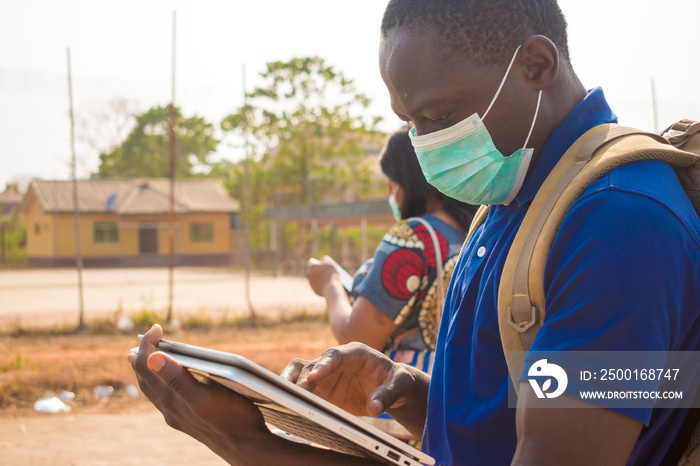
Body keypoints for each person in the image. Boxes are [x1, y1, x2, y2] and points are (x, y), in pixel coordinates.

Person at [130, 1, 700, 465]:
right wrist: (407, 390)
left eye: (438, 116)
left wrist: (250, 444)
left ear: (535, 65)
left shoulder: (621, 222)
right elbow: (521, 412)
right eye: (410, 121)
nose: (425, 144)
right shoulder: (518, 194)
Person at [306, 129, 476, 354]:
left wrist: (330, 284)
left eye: (390, 185)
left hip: (408, 387)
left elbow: (356, 339)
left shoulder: (412, 237)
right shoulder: (472, 231)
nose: (391, 196)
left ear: (408, 180)